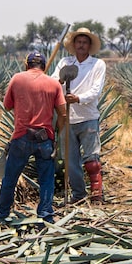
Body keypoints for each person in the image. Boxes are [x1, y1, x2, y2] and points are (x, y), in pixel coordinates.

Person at [0, 51, 67, 225]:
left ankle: (2, 212)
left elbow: (7, 106)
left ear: (27, 65)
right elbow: (62, 112)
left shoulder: (17, 79)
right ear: (43, 66)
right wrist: (57, 132)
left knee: (10, 177)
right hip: (44, 138)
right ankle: (46, 214)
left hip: (21, 136)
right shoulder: (53, 84)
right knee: (46, 179)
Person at [50, 27, 107, 204]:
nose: (81, 45)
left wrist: (78, 98)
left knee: (92, 158)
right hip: (66, 117)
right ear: (73, 45)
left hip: (88, 117)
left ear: (89, 45)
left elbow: (96, 91)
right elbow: (52, 81)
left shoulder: (98, 65)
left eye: (85, 42)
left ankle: (97, 194)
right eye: (78, 42)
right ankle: (78, 194)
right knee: (70, 160)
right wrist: (57, 81)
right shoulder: (65, 63)